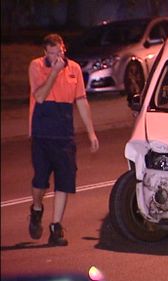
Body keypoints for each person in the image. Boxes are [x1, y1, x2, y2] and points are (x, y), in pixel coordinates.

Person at [28, 33, 99, 246]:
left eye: (58, 52)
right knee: (40, 181)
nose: (55, 56)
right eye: (51, 53)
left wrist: (91, 132)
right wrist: (54, 72)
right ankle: (37, 208)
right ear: (45, 52)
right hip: (42, 132)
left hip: (64, 133)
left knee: (64, 181)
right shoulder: (36, 66)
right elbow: (39, 96)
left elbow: (81, 100)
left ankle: (55, 226)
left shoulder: (74, 69)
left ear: (63, 49)